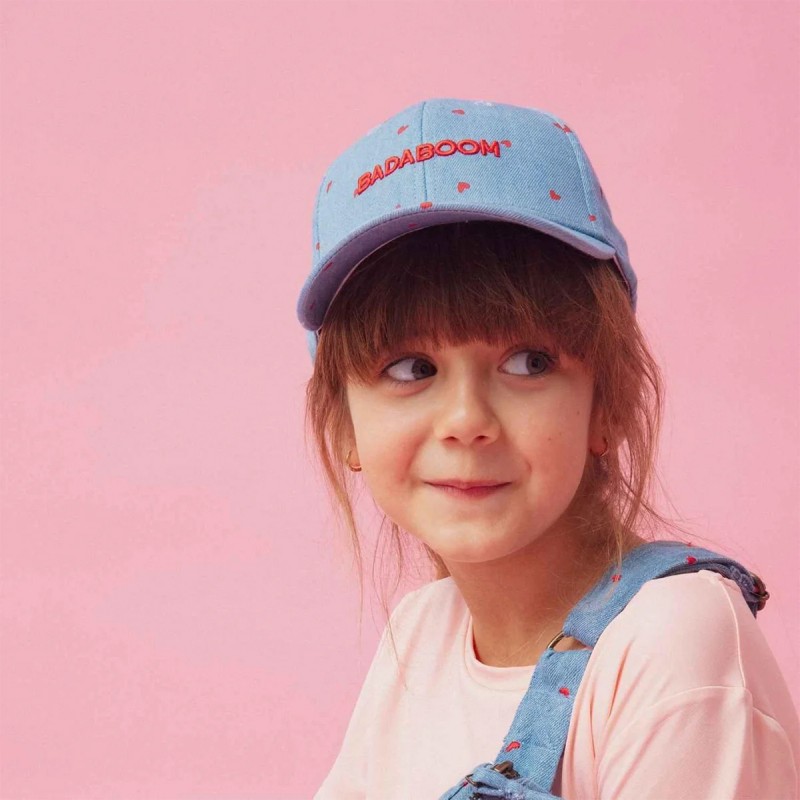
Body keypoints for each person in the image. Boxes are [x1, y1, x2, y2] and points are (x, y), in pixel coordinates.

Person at [295, 98, 800, 799]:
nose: (466, 421)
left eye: (529, 362)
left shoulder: (673, 644)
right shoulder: (422, 633)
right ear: (346, 424)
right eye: (412, 369)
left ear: (607, 402)